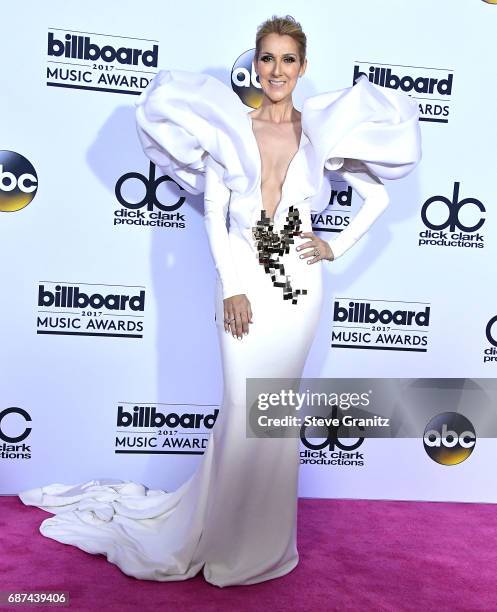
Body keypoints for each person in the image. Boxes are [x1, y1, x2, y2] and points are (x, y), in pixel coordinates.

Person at [18, 15, 421, 587]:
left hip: (299, 292)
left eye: (287, 60)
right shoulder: (229, 127)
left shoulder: (319, 134)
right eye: (266, 58)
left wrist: (336, 245)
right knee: (240, 410)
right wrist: (232, 285)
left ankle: (261, 543)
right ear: (255, 64)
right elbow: (212, 212)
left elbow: (377, 198)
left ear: (302, 68)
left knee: (274, 416)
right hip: (242, 283)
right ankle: (220, 535)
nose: (276, 70)